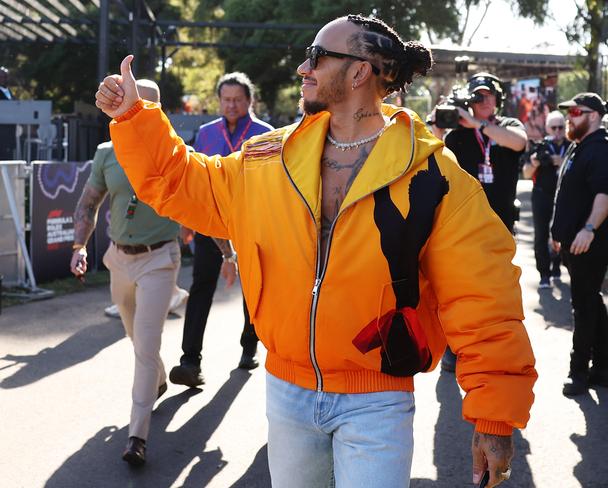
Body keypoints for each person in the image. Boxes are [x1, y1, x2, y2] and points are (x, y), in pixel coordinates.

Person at [96, 15, 537, 488]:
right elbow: (184, 184)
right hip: (287, 392)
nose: (303, 68)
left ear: (359, 72)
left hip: (377, 399)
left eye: (317, 56)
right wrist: (133, 118)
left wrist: (493, 418)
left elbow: (483, 297)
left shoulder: (434, 175)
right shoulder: (268, 157)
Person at [71, 79, 181, 467]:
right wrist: (78, 247)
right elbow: (88, 204)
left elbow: (202, 203)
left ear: (159, 113)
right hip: (120, 258)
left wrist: (228, 252)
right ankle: (160, 379)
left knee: (145, 345)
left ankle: (138, 435)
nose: (136, 113)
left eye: (145, 107)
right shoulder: (106, 152)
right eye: (129, 105)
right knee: (137, 338)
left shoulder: (173, 152)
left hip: (159, 259)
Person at [168, 72, 274, 388]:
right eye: (226, 100)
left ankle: (248, 345)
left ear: (249, 101)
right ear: (219, 101)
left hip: (255, 224)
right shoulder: (205, 133)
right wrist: (187, 221)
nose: (231, 105)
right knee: (202, 285)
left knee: (253, 287)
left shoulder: (266, 134)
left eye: (237, 100)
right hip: (210, 223)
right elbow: (195, 183)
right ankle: (190, 360)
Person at [430, 73, 528, 372]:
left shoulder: (508, 125)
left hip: (499, 224)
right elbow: (431, 152)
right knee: (457, 287)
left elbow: (519, 143)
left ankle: (492, 347)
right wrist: (437, 123)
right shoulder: (458, 133)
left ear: (497, 99)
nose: (481, 101)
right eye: (476, 97)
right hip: (462, 224)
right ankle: (452, 347)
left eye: (486, 96)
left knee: (495, 290)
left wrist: (481, 126)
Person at [551, 93, 608, 397]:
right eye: (568, 112)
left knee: (583, 305)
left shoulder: (602, 148)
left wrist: (589, 229)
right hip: (574, 242)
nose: (570, 116)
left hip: (591, 243)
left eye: (576, 111)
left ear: (593, 115)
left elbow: (604, 194)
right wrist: (559, 233)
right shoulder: (579, 146)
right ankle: (606, 370)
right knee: (591, 300)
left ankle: (578, 372)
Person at [522, 111, 569, 289]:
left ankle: (557, 266)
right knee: (541, 235)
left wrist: (561, 161)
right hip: (542, 195)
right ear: (547, 128)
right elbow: (526, 174)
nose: (557, 131)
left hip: (564, 197)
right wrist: (534, 163)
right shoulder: (539, 147)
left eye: (560, 127)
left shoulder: (571, 146)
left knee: (560, 232)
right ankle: (544, 274)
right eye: (553, 127)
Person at [0, 66, 17, 160]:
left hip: (10, 132)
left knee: (9, 159)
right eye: (1, 76)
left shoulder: (9, 91)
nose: (3, 79)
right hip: (1, 131)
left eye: (5, 76)